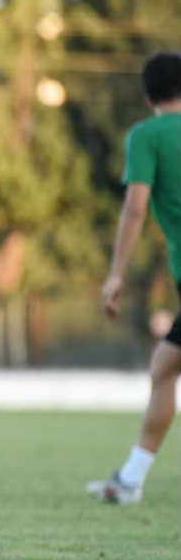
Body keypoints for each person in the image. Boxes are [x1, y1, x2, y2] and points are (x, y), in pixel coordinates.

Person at [87, 50, 181, 504]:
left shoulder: (147, 136)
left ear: (148, 97)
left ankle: (130, 481)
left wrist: (115, 275)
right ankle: (130, 479)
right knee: (165, 365)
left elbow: (136, 207)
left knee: (164, 367)